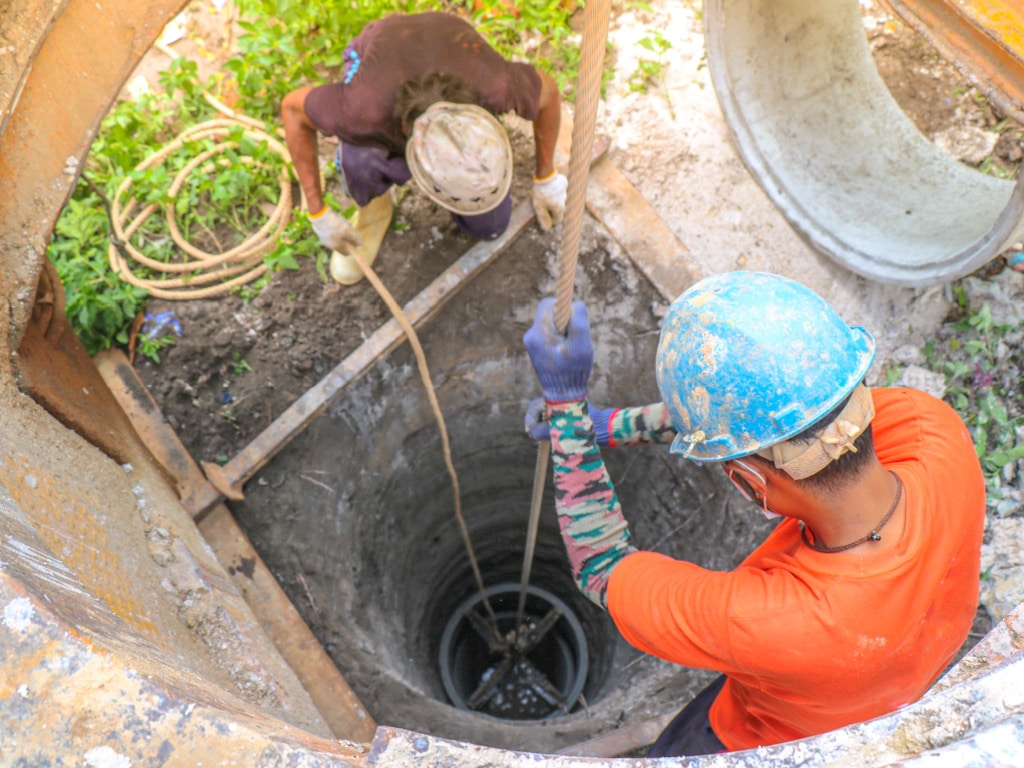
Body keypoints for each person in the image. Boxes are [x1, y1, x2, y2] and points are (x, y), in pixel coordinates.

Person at [522, 271, 985, 756]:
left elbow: (601, 567)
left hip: (773, 743)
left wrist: (568, 411)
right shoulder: (932, 430)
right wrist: (608, 427)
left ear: (748, 482)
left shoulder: (773, 621)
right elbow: (786, 418)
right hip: (900, 684)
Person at [281, 11, 567, 285]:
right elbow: (293, 110)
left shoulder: (494, 85)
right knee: (360, 161)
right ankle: (374, 210)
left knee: (489, 225)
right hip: (381, 46)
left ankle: (472, 190)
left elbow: (549, 92)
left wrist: (546, 178)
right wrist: (318, 212)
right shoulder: (362, 110)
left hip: (449, 37)